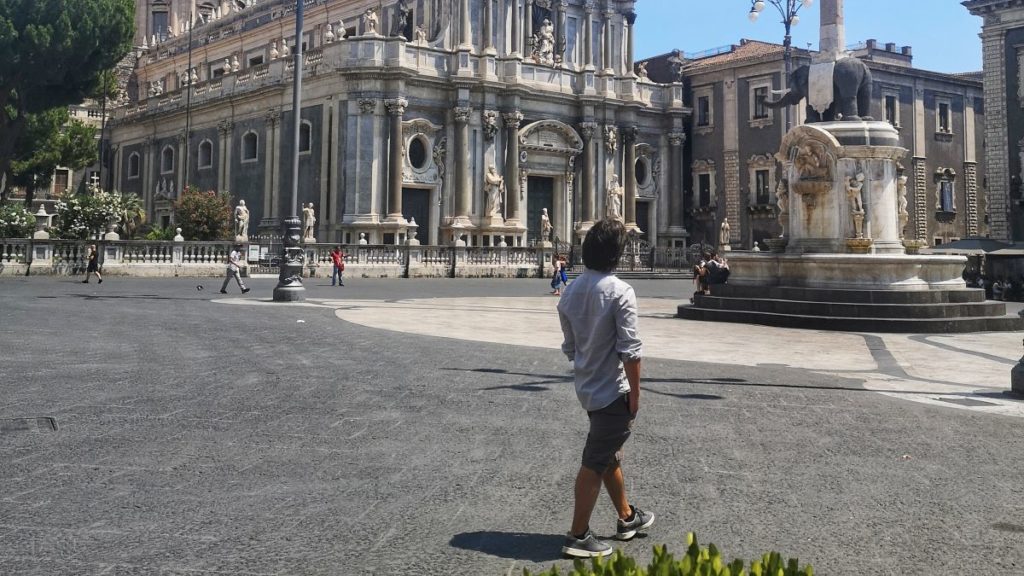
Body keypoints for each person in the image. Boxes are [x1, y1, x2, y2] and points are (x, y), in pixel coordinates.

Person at [556, 218, 653, 559]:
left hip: (586, 387)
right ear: (617, 254)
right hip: (613, 390)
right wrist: (636, 398)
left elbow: (570, 348)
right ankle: (578, 535)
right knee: (595, 460)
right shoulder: (620, 291)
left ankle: (627, 518)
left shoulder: (570, 292)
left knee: (608, 453)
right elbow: (631, 351)